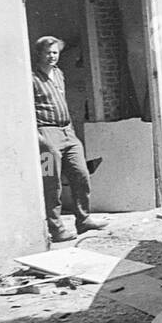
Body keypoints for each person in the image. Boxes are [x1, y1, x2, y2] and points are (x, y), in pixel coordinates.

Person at [31, 36, 107, 242]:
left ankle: (83, 219)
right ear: (38, 54)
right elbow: (25, 111)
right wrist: (38, 139)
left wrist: (71, 132)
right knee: (51, 182)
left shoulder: (59, 74)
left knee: (81, 174)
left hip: (67, 132)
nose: (52, 56)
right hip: (45, 135)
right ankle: (56, 230)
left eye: (55, 52)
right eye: (48, 52)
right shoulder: (30, 79)